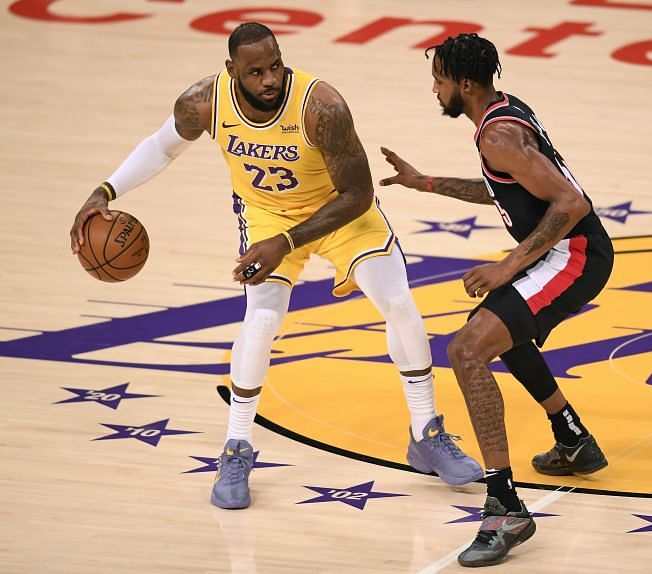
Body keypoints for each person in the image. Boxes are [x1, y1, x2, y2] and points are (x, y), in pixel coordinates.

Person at [69, 22, 482, 510]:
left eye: (276, 66)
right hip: (267, 216)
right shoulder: (204, 101)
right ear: (232, 72)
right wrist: (105, 192)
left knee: (398, 304)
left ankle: (425, 432)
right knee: (262, 320)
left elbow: (358, 194)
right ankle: (236, 448)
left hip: (339, 212)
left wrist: (286, 242)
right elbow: (162, 145)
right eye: (256, 71)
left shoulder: (321, 106)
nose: (269, 79)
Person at [380, 33, 614, 567]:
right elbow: (508, 188)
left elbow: (571, 203)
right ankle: (572, 437)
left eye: (438, 78)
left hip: (573, 255)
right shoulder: (500, 123)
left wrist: (509, 264)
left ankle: (505, 507)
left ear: (464, 83)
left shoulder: (498, 136)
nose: (433, 88)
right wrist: (427, 183)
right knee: (496, 333)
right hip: (569, 251)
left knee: (467, 349)